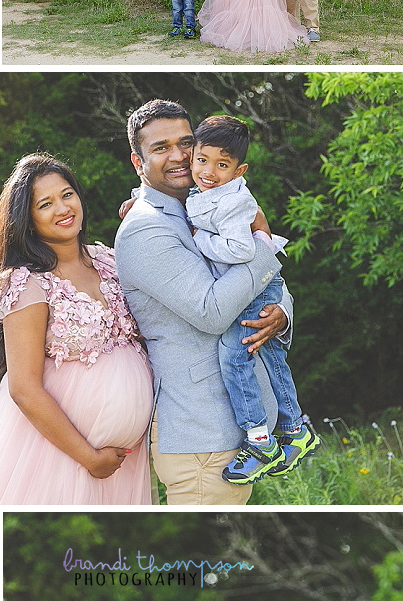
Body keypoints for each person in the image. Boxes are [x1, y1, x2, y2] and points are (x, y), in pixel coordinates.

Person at [0, 153, 154, 507]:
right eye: (45, 204)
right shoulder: (26, 283)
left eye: (67, 194)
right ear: (27, 221)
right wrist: (89, 457)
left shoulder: (109, 260)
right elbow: (23, 388)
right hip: (59, 456)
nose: (62, 208)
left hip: (124, 462)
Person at [115, 98, 292, 506]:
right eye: (160, 148)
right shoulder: (145, 229)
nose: (178, 156)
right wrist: (266, 243)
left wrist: (280, 314)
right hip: (200, 437)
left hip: (226, 432)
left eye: (185, 143)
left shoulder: (204, 203)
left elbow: (261, 286)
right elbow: (213, 311)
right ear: (137, 161)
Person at [184, 115, 319, 483]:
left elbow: (241, 250)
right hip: (256, 285)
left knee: (234, 353)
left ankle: (259, 439)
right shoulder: (205, 189)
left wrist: (197, 237)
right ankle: (295, 429)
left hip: (253, 284)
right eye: (202, 160)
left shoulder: (235, 202)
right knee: (272, 354)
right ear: (193, 156)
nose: (208, 171)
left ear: (239, 169)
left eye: (222, 165)